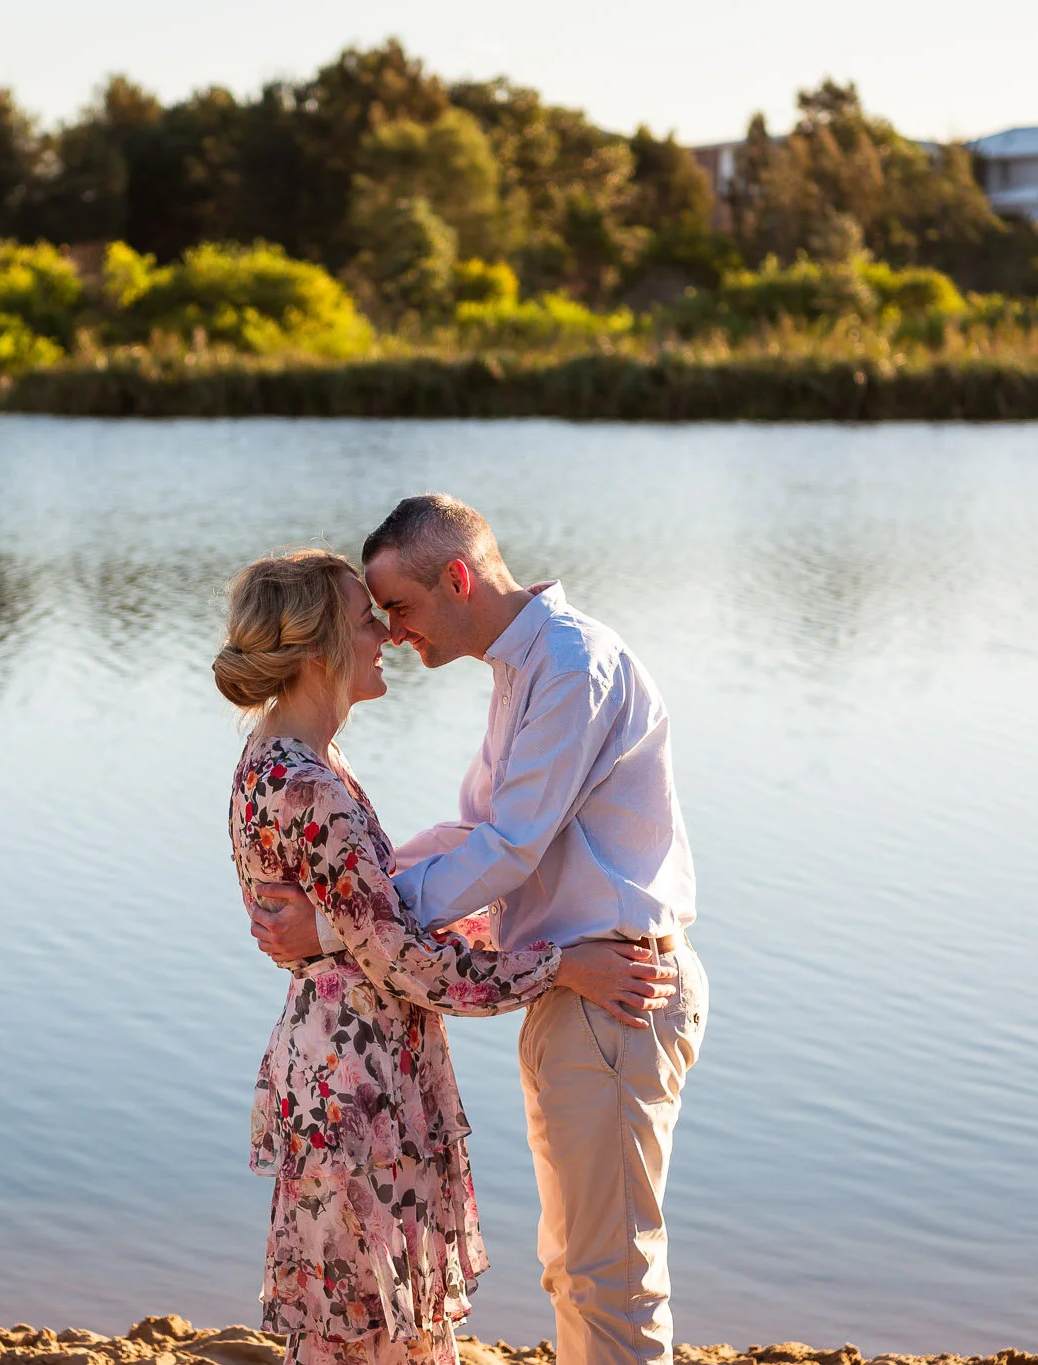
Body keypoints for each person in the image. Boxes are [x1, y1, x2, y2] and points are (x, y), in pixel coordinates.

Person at [250, 498, 710, 1365]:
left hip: (617, 986)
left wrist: (348, 920)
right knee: (572, 1269)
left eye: (400, 606)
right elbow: (474, 834)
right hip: (574, 987)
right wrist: (360, 898)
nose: (392, 632)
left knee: (611, 1278)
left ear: (457, 578)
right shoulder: (523, 668)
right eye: (378, 615)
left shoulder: (570, 666)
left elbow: (509, 846)